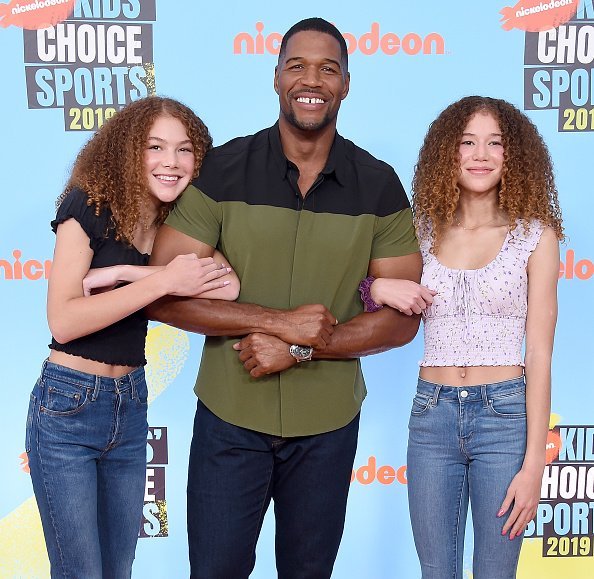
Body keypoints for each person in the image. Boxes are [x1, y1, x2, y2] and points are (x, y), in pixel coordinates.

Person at [146, 17, 425, 579]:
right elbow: (162, 294)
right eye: (297, 65)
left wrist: (301, 348)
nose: (312, 79)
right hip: (230, 419)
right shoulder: (223, 170)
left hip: (327, 425)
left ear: (347, 84)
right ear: (276, 78)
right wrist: (280, 323)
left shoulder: (379, 183)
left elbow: (401, 322)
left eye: (328, 68)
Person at [25, 96, 239, 579]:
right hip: (68, 406)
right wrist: (161, 281)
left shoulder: (173, 222)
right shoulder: (88, 202)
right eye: (155, 147)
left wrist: (125, 271)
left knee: (117, 570)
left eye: (185, 150)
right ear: (127, 150)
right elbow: (63, 321)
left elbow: (229, 287)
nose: (171, 162)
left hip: (129, 404)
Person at [367, 96, 564, 578]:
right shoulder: (420, 232)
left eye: (495, 143)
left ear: (514, 156)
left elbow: (539, 353)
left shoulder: (536, 237)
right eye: (467, 142)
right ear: (446, 154)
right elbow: (352, 288)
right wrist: (374, 286)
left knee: (497, 572)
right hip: (430, 416)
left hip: (505, 418)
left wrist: (534, 464)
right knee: (437, 571)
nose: (481, 154)